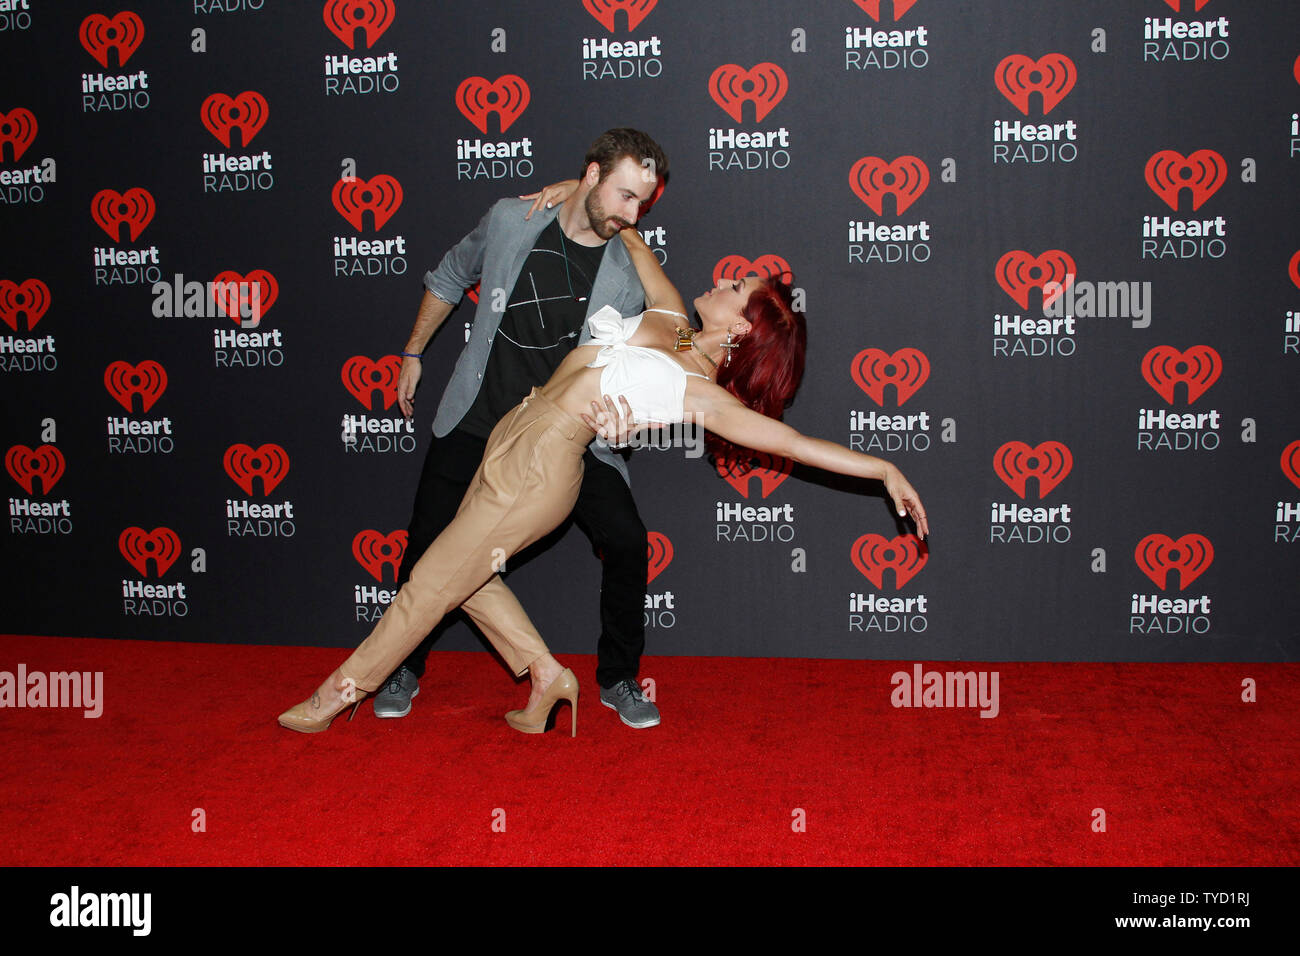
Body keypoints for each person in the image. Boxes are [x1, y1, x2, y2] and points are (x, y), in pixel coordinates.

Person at [277, 226, 930, 737]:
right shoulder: (671, 322)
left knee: (428, 584)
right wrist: (573, 190)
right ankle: (548, 678)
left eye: (738, 287)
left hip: (544, 468)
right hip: (512, 434)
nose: (726, 278)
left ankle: (336, 695)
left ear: (740, 329)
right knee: (465, 576)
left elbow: (794, 444)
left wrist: (885, 468)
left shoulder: (707, 399)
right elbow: (627, 233)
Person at [369, 129, 668, 729]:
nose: (633, 214)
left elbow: (674, 340)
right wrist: (413, 352)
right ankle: (402, 664)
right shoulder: (512, 220)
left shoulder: (630, 269)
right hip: (479, 414)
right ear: (591, 175)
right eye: (625, 196)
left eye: (643, 202)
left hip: (565, 435)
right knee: (428, 537)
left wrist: (628, 416)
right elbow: (449, 275)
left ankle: (618, 678)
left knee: (629, 540)